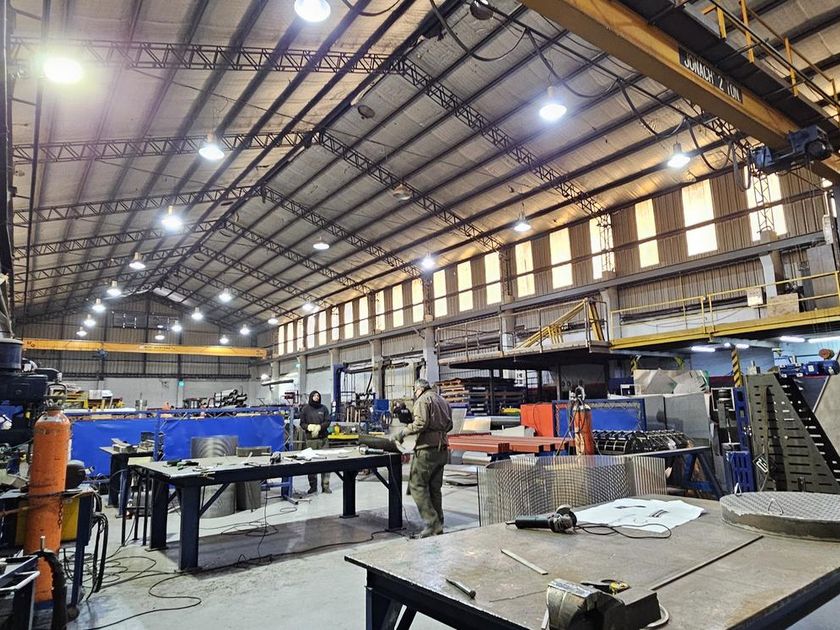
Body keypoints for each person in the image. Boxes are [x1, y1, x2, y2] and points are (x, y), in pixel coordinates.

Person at [395, 378, 452, 538]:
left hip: (427, 450)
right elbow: (450, 425)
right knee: (435, 489)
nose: (415, 393)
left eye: (415, 391)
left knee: (416, 486)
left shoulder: (422, 400)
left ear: (419, 389)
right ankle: (439, 524)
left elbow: (420, 423)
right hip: (442, 449)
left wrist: (402, 433)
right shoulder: (442, 401)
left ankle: (432, 523)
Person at [300, 390, 332, 494]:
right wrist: (309, 427)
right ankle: (313, 486)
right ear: (311, 397)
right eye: (314, 395)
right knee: (311, 464)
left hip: (323, 440)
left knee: (325, 463)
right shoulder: (305, 409)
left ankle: (325, 486)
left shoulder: (324, 408)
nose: (317, 397)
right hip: (311, 440)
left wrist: (320, 427)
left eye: (318, 395)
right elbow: (302, 423)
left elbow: (328, 421)